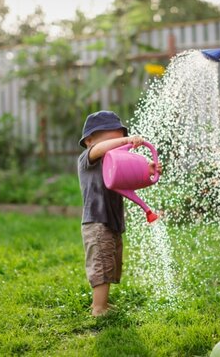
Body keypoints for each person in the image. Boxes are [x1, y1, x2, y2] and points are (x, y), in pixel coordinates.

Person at [78, 110, 162, 316]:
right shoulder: (88, 159)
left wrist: (147, 170)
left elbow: (131, 182)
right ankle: (98, 308)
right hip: (96, 221)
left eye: (120, 139)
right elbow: (101, 149)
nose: (119, 145)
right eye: (113, 140)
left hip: (112, 221)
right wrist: (125, 140)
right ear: (89, 140)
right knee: (101, 262)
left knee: (111, 261)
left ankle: (103, 303)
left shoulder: (114, 163)